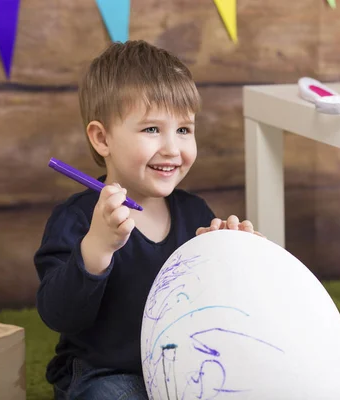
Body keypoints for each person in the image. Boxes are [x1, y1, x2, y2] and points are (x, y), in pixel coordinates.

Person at [34, 40, 262, 400]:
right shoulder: (76, 219)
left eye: (184, 129)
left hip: (183, 368)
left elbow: (215, 311)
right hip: (109, 372)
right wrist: (96, 248)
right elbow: (59, 315)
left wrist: (229, 254)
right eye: (152, 129)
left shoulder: (195, 213)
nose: (173, 147)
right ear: (102, 138)